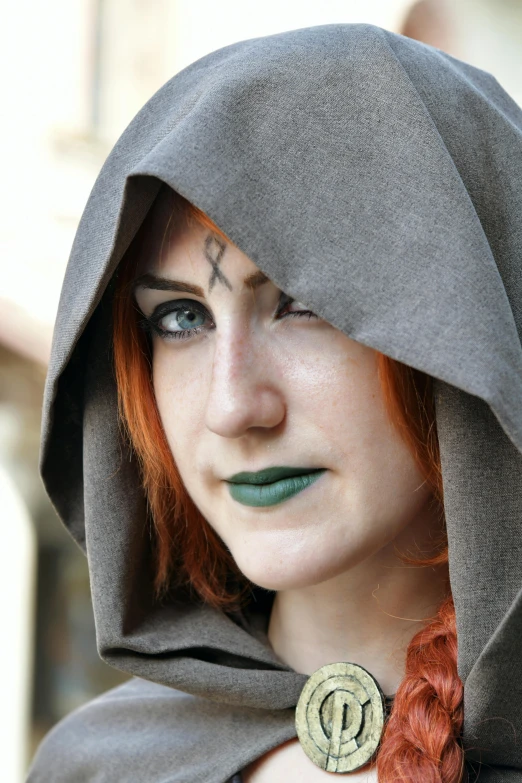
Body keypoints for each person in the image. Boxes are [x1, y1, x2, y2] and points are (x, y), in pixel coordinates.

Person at [27, 23, 522, 783]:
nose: (234, 406)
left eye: (303, 304)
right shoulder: (91, 768)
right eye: (180, 318)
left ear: (469, 320)